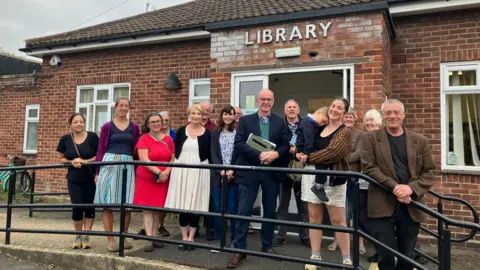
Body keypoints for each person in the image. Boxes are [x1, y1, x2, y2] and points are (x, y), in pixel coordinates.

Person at [360, 99, 435, 270]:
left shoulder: (420, 140)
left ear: (403, 115)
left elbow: (429, 171)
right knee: (385, 254)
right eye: (388, 113)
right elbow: (369, 167)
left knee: (406, 255)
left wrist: (410, 189)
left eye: (396, 112)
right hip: (382, 203)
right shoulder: (369, 138)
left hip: (411, 204)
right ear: (382, 116)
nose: (392, 116)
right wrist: (395, 187)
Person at [227, 89, 289, 268]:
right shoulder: (245, 120)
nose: (266, 102)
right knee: (244, 211)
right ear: (257, 101)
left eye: (269, 99)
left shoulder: (279, 121)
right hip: (250, 171)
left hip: (271, 172)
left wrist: (275, 154)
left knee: (270, 211)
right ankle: (240, 250)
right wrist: (260, 155)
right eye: (263, 99)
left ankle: (267, 245)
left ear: (273, 101)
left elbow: (285, 144)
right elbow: (238, 144)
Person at [301, 98, 353, 268]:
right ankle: (315, 256)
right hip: (311, 178)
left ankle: (346, 258)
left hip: (333, 179)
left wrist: (307, 157)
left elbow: (333, 153)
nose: (335, 110)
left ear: (344, 113)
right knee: (314, 218)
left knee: (338, 221)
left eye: (339, 108)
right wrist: (298, 154)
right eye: (333, 106)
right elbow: (302, 144)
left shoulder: (344, 132)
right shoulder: (318, 128)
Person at [94, 97, 140, 252]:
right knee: (108, 204)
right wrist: (98, 172)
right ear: (115, 107)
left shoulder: (134, 127)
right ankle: (111, 240)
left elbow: (136, 150)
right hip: (109, 163)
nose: (124, 108)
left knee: (126, 205)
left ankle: (123, 237)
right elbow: (100, 149)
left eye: (126, 106)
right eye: (121, 105)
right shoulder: (108, 126)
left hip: (128, 164)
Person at [165, 104, 211, 251]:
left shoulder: (208, 133)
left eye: (199, 114)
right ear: (189, 115)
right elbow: (175, 151)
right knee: (183, 203)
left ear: (203, 115)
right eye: (193, 113)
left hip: (199, 169)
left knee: (195, 203)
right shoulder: (180, 131)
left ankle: (191, 237)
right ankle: (184, 237)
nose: (196, 116)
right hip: (182, 169)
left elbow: (209, 153)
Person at [134, 112, 175, 252]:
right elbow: (144, 159)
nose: (156, 124)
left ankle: (155, 236)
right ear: (148, 124)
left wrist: (166, 173)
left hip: (164, 177)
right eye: (153, 122)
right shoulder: (144, 138)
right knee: (148, 209)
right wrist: (158, 172)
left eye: (158, 121)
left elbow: (172, 158)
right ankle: (149, 238)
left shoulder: (168, 139)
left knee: (158, 208)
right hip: (148, 177)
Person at [57, 113, 99, 249]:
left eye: (81, 121)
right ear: (71, 124)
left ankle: (86, 236)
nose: (79, 124)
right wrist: (72, 161)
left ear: (84, 123)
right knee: (77, 207)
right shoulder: (65, 139)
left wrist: (85, 161)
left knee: (89, 207)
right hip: (73, 178)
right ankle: (78, 235)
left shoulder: (92, 137)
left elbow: (99, 155)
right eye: (75, 122)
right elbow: (61, 158)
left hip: (90, 178)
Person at [274, 99, 310, 248]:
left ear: (298, 110)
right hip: (284, 169)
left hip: (301, 170)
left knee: (303, 206)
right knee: (283, 204)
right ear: (284, 110)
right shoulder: (279, 125)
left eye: (294, 107)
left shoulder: (306, 124)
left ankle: (305, 236)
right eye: (288, 107)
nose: (291, 109)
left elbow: (310, 142)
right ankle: (281, 235)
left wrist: (298, 150)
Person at [328, 107, 364, 254]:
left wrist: (340, 157)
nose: (349, 119)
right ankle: (337, 240)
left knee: (355, 211)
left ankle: (359, 242)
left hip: (353, 176)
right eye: (346, 117)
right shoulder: (337, 132)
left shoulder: (360, 134)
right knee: (338, 211)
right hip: (338, 175)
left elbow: (360, 153)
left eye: (351, 117)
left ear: (355, 119)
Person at [210, 105, 239, 251]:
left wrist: (232, 170)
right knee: (218, 209)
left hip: (233, 177)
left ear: (234, 116)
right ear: (222, 116)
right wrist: (221, 170)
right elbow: (213, 153)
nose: (228, 116)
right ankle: (219, 239)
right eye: (225, 114)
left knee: (233, 209)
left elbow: (240, 153)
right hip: (218, 177)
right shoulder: (215, 133)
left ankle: (234, 240)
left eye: (230, 114)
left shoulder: (238, 133)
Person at [358, 109, 383, 263]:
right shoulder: (364, 137)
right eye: (367, 120)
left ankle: (384, 250)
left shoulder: (381, 138)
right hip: (362, 184)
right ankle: (383, 249)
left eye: (372, 121)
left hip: (376, 185)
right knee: (362, 219)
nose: (368, 123)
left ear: (379, 124)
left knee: (379, 220)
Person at [295, 107, 330, 201]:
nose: (321, 124)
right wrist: (306, 153)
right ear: (318, 113)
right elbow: (308, 139)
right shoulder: (309, 122)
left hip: (304, 147)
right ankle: (319, 186)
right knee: (321, 159)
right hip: (305, 147)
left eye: (324, 124)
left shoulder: (308, 121)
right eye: (323, 121)